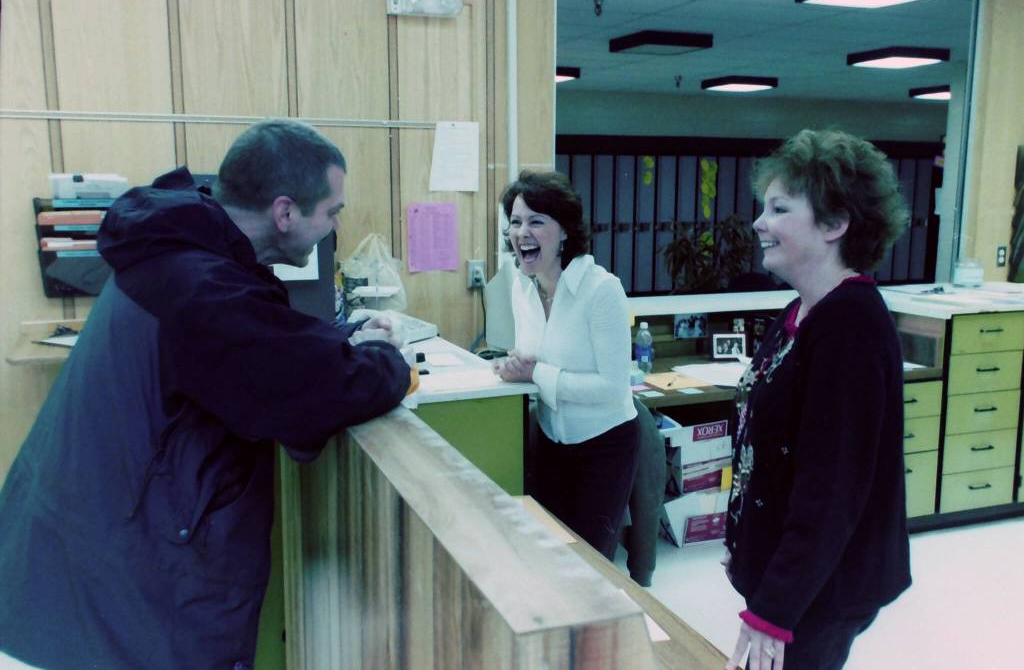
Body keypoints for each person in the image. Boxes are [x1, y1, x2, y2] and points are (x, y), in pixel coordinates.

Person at [0, 119, 415, 670]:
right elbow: (321, 388)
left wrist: (342, 342)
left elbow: (264, 351)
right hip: (110, 607)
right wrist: (388, 357)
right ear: (285, 212)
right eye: (333, 211)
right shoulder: (200, 290)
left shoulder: (178, 252)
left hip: (64, 570)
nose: (336, 224)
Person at [723, 129, 911, 670]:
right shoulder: (800, 314)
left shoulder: (849, 327)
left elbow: (831, 490)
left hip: (822, 587)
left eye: (779, 208)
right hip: (796, 574)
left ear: (834, 224)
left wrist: (774, 609)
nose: (759, 222)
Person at [493, 170, 639, 560]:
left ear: (564, 233)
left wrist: (535, 373)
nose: (522, 232)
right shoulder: (521, 288)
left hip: (604, 446)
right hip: (551, 441)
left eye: (537, 222)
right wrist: (515, 366)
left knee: (591, 562)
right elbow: (536, 358)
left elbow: (612, 387)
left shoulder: (601, 290)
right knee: (553, 553)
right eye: (516, 222)